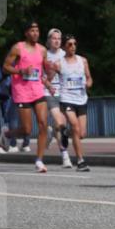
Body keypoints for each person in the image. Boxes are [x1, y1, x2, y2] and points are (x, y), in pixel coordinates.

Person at [2, 22, 53, 172]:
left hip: (37, 91)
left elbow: (46, 72)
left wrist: (52, 70)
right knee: (27, 130)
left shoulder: (42, 50)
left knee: (43, 124)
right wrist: (21, 71)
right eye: (32, 30)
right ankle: (7, 134)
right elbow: (5, 67)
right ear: (26, 33)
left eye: (37, 30)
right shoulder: (18, 48)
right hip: (22, 91)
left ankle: (39, 160)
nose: (36, 33)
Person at [57, 34, 93, 171]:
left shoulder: (83, 61)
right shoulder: (59, 63)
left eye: (74, 44)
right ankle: (80, 161)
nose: (73, 47)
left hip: (81, 99)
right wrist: (48, 85)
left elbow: (89, 78)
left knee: (81, 134)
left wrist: (88, 84)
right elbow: (47, 77)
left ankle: (65, 133)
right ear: (64, 47)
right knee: (75, 127)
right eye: (70, 44)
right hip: (67, 99)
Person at [44, 29, 71, 166]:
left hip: (64, 93)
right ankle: (65, 155)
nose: (57, 41)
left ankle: (50, 133)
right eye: (54, 38)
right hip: (49, 93)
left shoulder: (65, 55)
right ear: (48, 40)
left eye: (59, 39)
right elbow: (39, 76)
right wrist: (47, 83)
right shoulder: (44, 55)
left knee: (62, 125)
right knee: (60, 123)